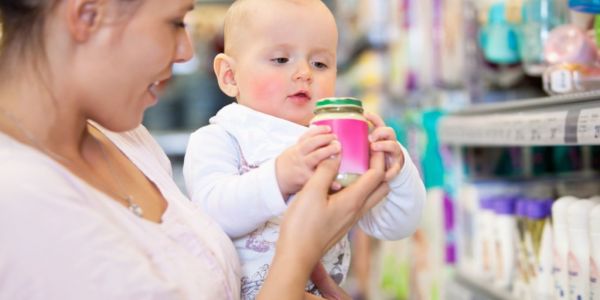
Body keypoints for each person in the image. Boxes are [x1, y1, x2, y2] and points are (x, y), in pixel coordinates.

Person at [0, 0, 391, 299]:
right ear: (88, 16)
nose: (188, 50)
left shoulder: (127, 139)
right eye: (175, 22)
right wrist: (297, 254)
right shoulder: (18, 202)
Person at [182, 0, 426, 298]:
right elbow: (211, 213)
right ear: (230, 76)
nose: (303, 73)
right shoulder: (222, 137)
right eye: (281, 59)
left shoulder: (333, 143)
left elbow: (395, 226)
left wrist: (396, 173)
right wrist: (280, 177)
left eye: (320, 63)